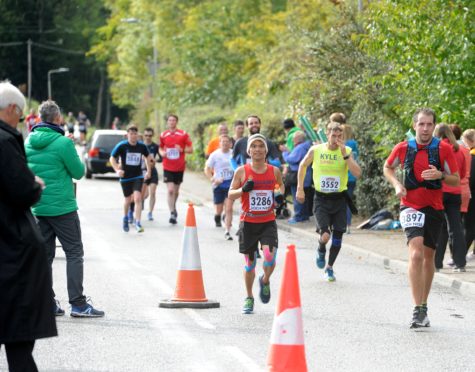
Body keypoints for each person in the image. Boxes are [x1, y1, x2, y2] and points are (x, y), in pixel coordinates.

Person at [25, 99, 105, 318]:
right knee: (74, 253)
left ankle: (48, 303)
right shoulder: (63, 143)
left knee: (45, 257)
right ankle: (78, 304)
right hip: (62, 208)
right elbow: (78, 172)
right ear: (58, 118)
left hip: (38, 207)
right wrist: (68, 145)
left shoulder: (28, 141)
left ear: (40, 118)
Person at [383, 108, 459, 329]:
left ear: (433, 126)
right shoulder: (403, 148)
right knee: (415, 253)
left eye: (429, 125)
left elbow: (455, 180)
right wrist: (397, 184)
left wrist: (441, 175)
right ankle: (417, 310)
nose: (425, 128)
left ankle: (424, 306)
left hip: (434, 207)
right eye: (421, 124)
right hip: (410, 206)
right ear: (414, 125)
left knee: (428, 257)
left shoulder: (443, 149)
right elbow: (388, 167)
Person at [0, 82, 57, 372]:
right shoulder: (5, 140)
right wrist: (34, 185)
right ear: (11, 109)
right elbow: (20, 189)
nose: (20, 121)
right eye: (19, 116)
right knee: (19, 341)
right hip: (11, 249)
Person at [296, 122, 361, 282]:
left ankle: (329, 268)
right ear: (327, 134)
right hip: (321, 199)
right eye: (334, 135)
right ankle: (320, 247)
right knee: (325, 235)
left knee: (338, 237)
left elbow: (357, 173)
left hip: (339, 199)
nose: (336, 139)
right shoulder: (316, 150)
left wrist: (345, 155)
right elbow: (303, 165)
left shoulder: (347, 151)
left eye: (340, 136)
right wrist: (300, 188)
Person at [229, 134, 284, 314]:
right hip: (248, 222)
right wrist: (243, 189)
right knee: (250, 264)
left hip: (268, 221)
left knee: (269, 257)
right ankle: (249, 297)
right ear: (249, 151)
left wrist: (279, 195)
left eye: (261, 146)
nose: (258, 149)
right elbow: (231, 194)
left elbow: (280, 186)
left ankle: (265, 280)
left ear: (266, 150)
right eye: (254, 146)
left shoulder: (274, 170)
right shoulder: (241, 171)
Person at [433, 124, 467, 272]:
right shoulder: (461, 150)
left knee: (440, 229)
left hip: (440, 191)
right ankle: (460, 263)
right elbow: (463, 173)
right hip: (455, 192)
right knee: (456, 228)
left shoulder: (437, 149)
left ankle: (436, 264)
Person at [110, 124, 152, 232]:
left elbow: (148, 158)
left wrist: (148, 171)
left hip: (138, 175)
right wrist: (117, 170)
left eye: (135, 134)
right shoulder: (122, 146)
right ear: (127, 134)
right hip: (125, 177)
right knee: (128, 199)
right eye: (131, 134)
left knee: (138, 198)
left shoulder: (141, 146)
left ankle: (138, 222)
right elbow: (112, 158)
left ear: (137, 135)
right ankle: (125, 217)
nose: (133, 136)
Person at [159, 114, 193, 224]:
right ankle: (172, 212)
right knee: (170, 190)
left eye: (173, 120)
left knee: (176, 191)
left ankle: (173, 206)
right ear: (167, 122)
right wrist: (162, 153)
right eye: (170, 120)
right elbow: (159, 147)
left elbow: (191, 149)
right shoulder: (163, 135)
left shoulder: (183, 134)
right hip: (167, 166)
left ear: (176, 122)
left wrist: (182, 149)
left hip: (179, 167)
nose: (171, 122)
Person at [204, 134, 235, 240]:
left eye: (227, 142)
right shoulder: (215, 155)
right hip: (218, 184)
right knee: (219, 208)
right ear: (220, 143)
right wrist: (213, 179)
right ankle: (218, 216)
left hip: (230, 183)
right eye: (223, 142)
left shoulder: (233, 154)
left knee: (229, 208)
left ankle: (227, 231)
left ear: (230, 144)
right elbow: (207, 169)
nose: (225, 143)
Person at [282, 130, 313, 224]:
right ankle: (305, 216)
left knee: (297, 197)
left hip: (298, 176)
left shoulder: (300, 147)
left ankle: (299, 217)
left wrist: (285, 153)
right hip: (307, 176)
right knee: (305, 197)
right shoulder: (307, 146)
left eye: (293, 138)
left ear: (297, 139)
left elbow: (292, 159)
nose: (292, 140)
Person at [141, 127, 162, 221]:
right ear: (143, 136)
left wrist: (155, 160)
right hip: (143, 171)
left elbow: (161, 158)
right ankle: (140, 202)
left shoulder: (155, 146)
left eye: (149, 135)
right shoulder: (140, 146)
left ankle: (150, 212)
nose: (148, 137)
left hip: (153, 172)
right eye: (146, 135)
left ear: (152, 135)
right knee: (145, 195)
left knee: (153, 192)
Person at [342, 124, 359, 232]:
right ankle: (348, 225)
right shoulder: (354, 144)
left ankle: (340, 224)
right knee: (348, 201)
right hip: (352, 176)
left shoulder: (341, 145)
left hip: (342, 176)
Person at [461, 129, 475, 261]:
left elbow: (471, 179)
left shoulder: (472, 156)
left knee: (469, 226)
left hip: (473, 195)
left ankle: (460, 255)